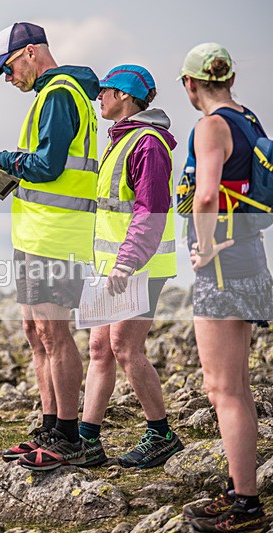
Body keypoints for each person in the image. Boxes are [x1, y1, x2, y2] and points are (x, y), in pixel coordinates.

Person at [0, 22, 100, 470]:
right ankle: (49, 424)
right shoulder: (50, 94)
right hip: (37, 233)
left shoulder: (60, 93)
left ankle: (68, 436)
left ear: (29, 53)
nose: (8, 79)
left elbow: (46, 165)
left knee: (54, 334)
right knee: (35, 332)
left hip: (58, 236)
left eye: (7, 69)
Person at [179, 43, 272, 532]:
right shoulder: (249, 120)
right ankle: (242, 494)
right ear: (230, 78)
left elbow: (207, 193)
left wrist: (207, 246)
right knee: (236, 387)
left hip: (222, 269)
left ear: (190, 84)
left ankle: (245, 506)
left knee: (223, 389)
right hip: (252, 259)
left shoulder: (210, 126)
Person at [77, 64, 184, 469]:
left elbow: (151, 211)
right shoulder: (120, 139)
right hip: (112, 266)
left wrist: (126, 263)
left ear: (124, 95)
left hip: (138, 266)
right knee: (100, 347)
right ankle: (86, 440)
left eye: (104, 91)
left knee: (124, 347)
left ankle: (161, 435)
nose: (99, 98)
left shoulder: (148, 144)